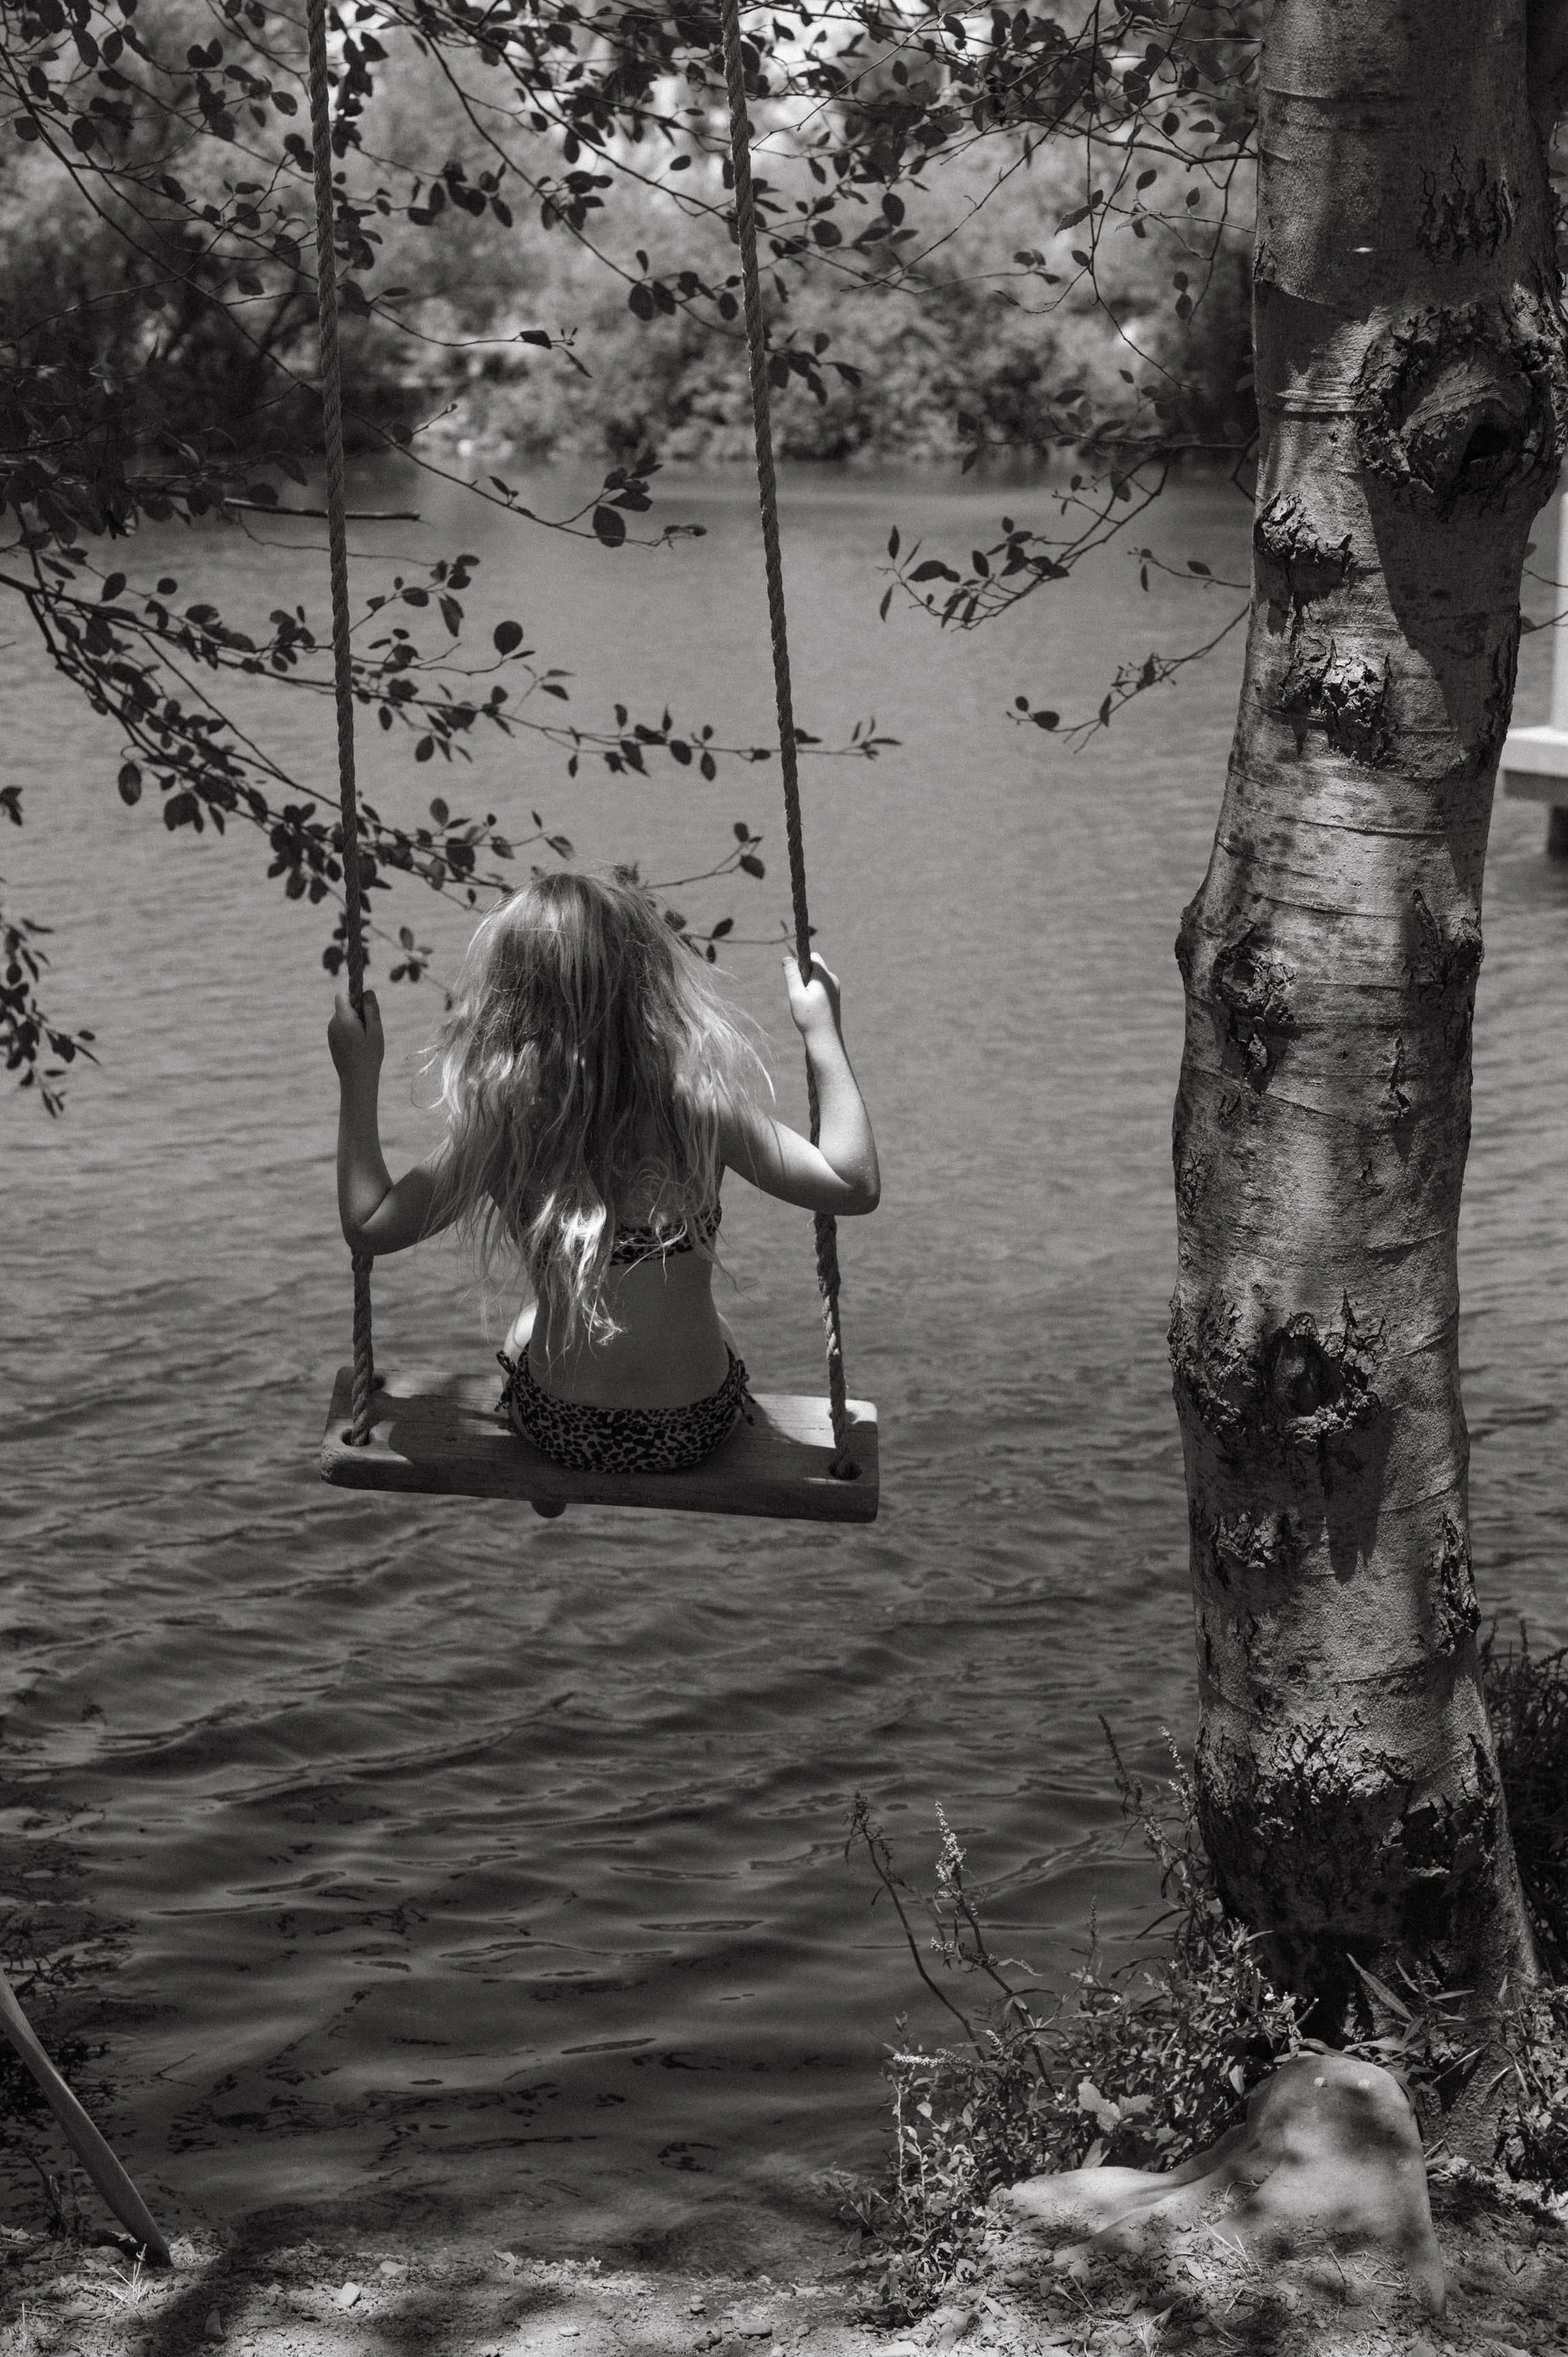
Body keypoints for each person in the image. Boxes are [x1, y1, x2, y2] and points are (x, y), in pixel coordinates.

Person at [327, 867, 879, 1475]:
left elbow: (369, 1225)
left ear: (509, 1000)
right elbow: (853, 1184)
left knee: (525, 1329)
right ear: (648, 984)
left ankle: (549, 1490)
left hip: (562, 1427)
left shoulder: (508, 1127)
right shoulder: (697, 1111)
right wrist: (823, 1032)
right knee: (714, 1327)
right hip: (694, 1427)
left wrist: (358, 1073)